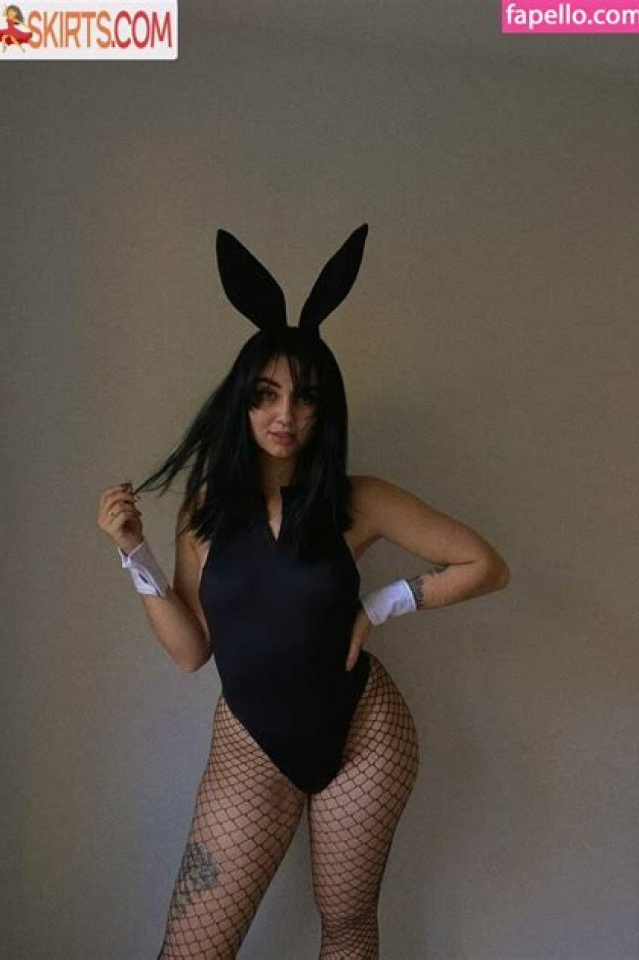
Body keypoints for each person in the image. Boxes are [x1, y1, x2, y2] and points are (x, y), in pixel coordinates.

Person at [97, 224, 510, 959]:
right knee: (192, 950)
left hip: (365, 736)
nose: (285, 415)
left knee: (346, 926)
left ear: (325, 410)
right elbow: (192, 651)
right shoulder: (203, 514)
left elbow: (484, 564)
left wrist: (380, 606)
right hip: (250, 745)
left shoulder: (358, 501)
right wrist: (135, 554)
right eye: (266, 395)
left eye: (305, 397)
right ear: (242, 401)